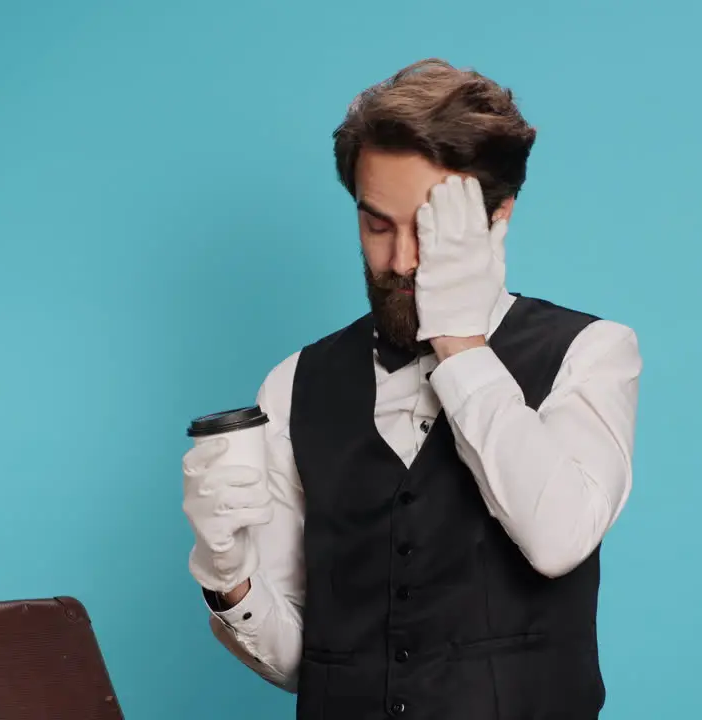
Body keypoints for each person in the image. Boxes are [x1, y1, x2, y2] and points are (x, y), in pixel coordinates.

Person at [180, 58, 642, 719]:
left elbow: (558, 536)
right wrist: (226, 573)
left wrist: (459, 343)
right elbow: (300, 663)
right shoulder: (293, 385)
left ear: (498, 218)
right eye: (377, 225)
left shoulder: (590, 353)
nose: (401, 262)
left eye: (429, 228)